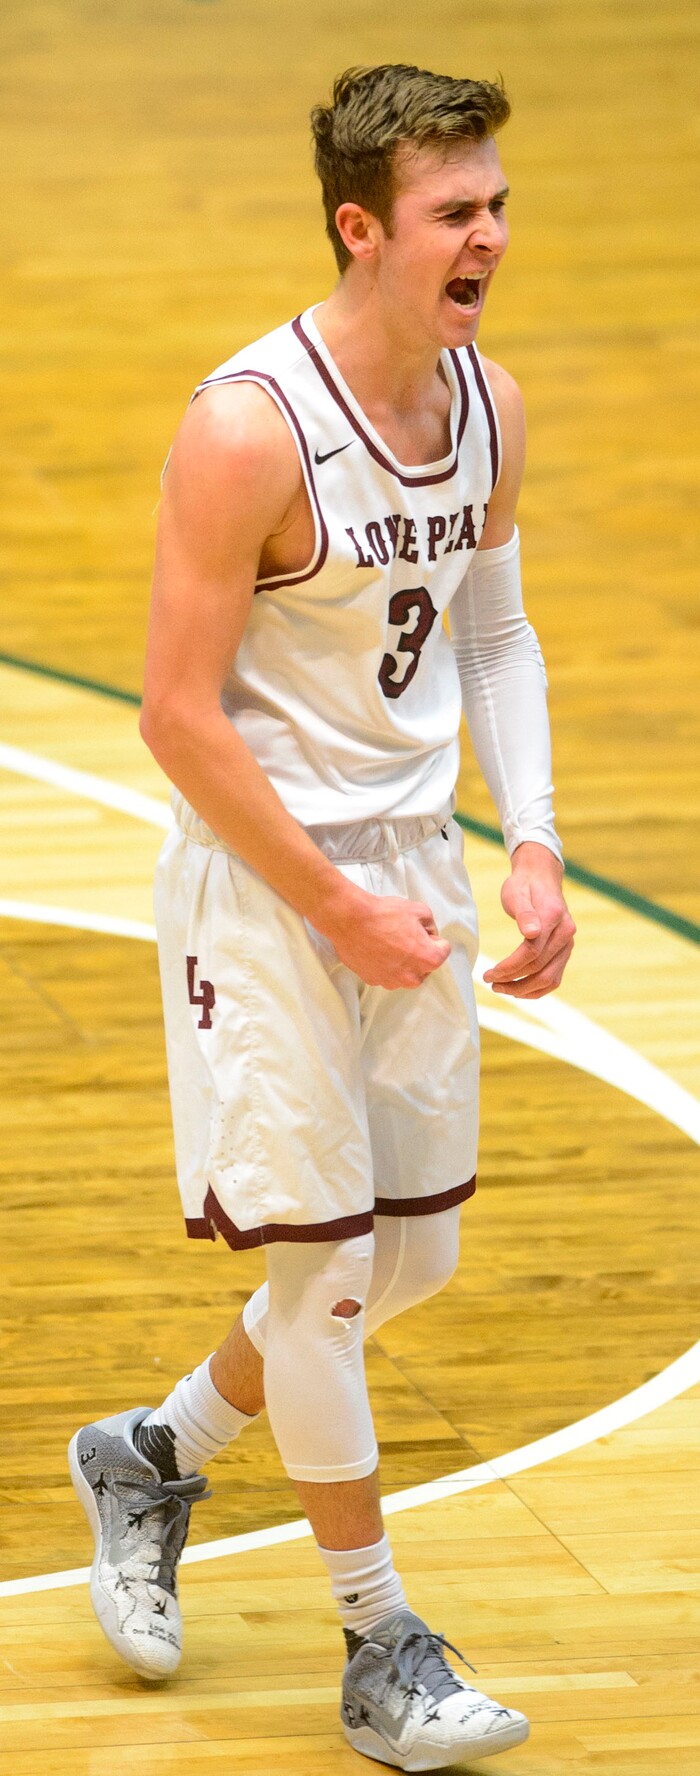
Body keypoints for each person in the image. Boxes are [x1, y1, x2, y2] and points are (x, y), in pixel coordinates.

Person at [68, 63, 575, 1771]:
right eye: (456, 211)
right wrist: (334, 907)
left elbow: (496, 637)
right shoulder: (246, 428)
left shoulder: (488, 400)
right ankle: (380, 1644)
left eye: (496, 202)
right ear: (364, 230)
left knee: (406, 1255)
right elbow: (175, 717)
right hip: (271, 887)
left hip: (415, 875)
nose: (490, 234)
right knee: (331, 1277)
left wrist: (537, 844)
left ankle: (150, 1452)